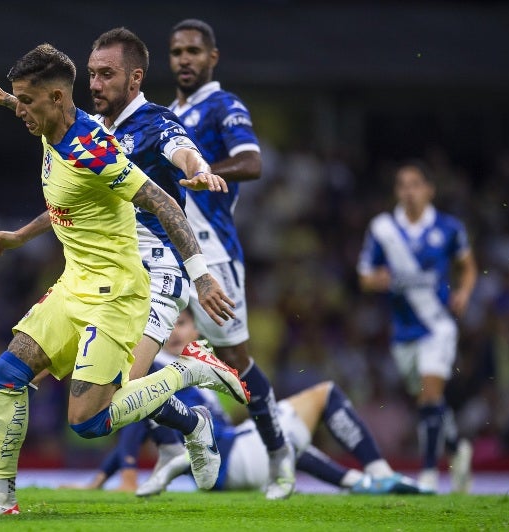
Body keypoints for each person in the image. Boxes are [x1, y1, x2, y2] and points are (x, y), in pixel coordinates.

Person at [0, 27, 270, 505]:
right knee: (18, 369)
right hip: (88, 274)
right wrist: (21, 231)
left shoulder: (154, 124)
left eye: (106, 75)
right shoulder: (85, 126)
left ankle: (191, 386)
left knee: (113, 398)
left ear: (134, 78)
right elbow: (67, 176)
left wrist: (200, 173)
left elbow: (180, 160)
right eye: (92, 73)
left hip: (152, 271)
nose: (95, 83)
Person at [68, 308, 430, 496]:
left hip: (230, 461)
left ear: (197, 330)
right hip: (230, 456)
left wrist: (101, 478)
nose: (175, 332)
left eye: (183, 324)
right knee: (325, 395)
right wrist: (127, 472)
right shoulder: (158, 365)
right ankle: (379, 474)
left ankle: (362, 483)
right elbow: (138, 416)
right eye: (169, 324)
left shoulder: (187, 367)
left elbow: (143, 415)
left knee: (282, 443)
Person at [165, 18, 294, 499]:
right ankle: (171, 446)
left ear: (212, 57)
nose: (184, 59)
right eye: (177, 51)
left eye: (193, 51)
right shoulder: (164, 115)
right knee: (136, 348)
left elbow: (252, 162)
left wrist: (204, 171)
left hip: (211, 250)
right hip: (164, 249)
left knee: (235, 359)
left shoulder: (224, 106)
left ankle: (279, 454)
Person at [357, 161, 477, 493]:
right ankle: (457, 447)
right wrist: (377, 280)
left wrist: (464, 292)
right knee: (427, 402)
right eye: (402, 185)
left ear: (429, 190)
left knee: (430, 394)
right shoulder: (383, 228)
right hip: (403, 331)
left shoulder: (448, 227)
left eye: (415, 184)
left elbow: (468, 266)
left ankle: (429, 473)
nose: (409, 191)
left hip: (438, 324)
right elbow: (364, 276)